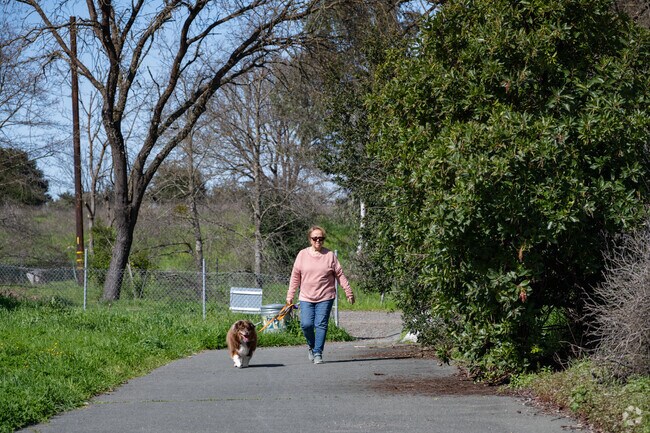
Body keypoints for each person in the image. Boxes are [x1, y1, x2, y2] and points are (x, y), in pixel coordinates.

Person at [286, 225, 355, 364]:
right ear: (310, 239)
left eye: (321, 238)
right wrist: (290, 297)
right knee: (306, 324)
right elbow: (295, 277)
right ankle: (311, 346)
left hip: (325, 296)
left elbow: (340, 275)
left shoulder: (330, 256)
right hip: (306, 297)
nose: (318, 241)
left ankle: (318, 352)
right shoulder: (302, 255)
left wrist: (349, 292)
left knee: (321, 324)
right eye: (315, 238)